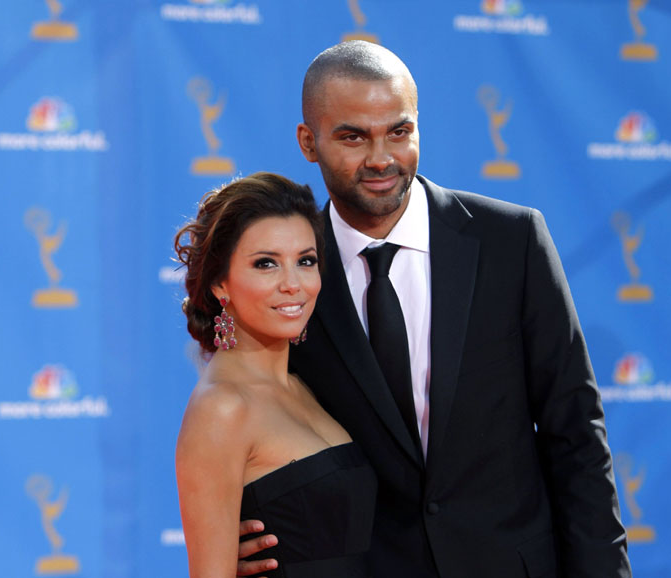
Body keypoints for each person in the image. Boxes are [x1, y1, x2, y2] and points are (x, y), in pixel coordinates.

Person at [238, 41, 632, 577]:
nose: (381, 158)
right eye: (353, 136)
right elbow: (249, 423)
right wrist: (234, 538)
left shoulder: (511, 241)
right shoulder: (292, 272)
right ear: (308, 142)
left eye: (398, 132)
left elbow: (576, 434)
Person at [174, 172, 378, 578]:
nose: (293, 284)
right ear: (220, 283)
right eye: (266, 263)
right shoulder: (222, 408)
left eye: (306, 261)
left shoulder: (305, 383)